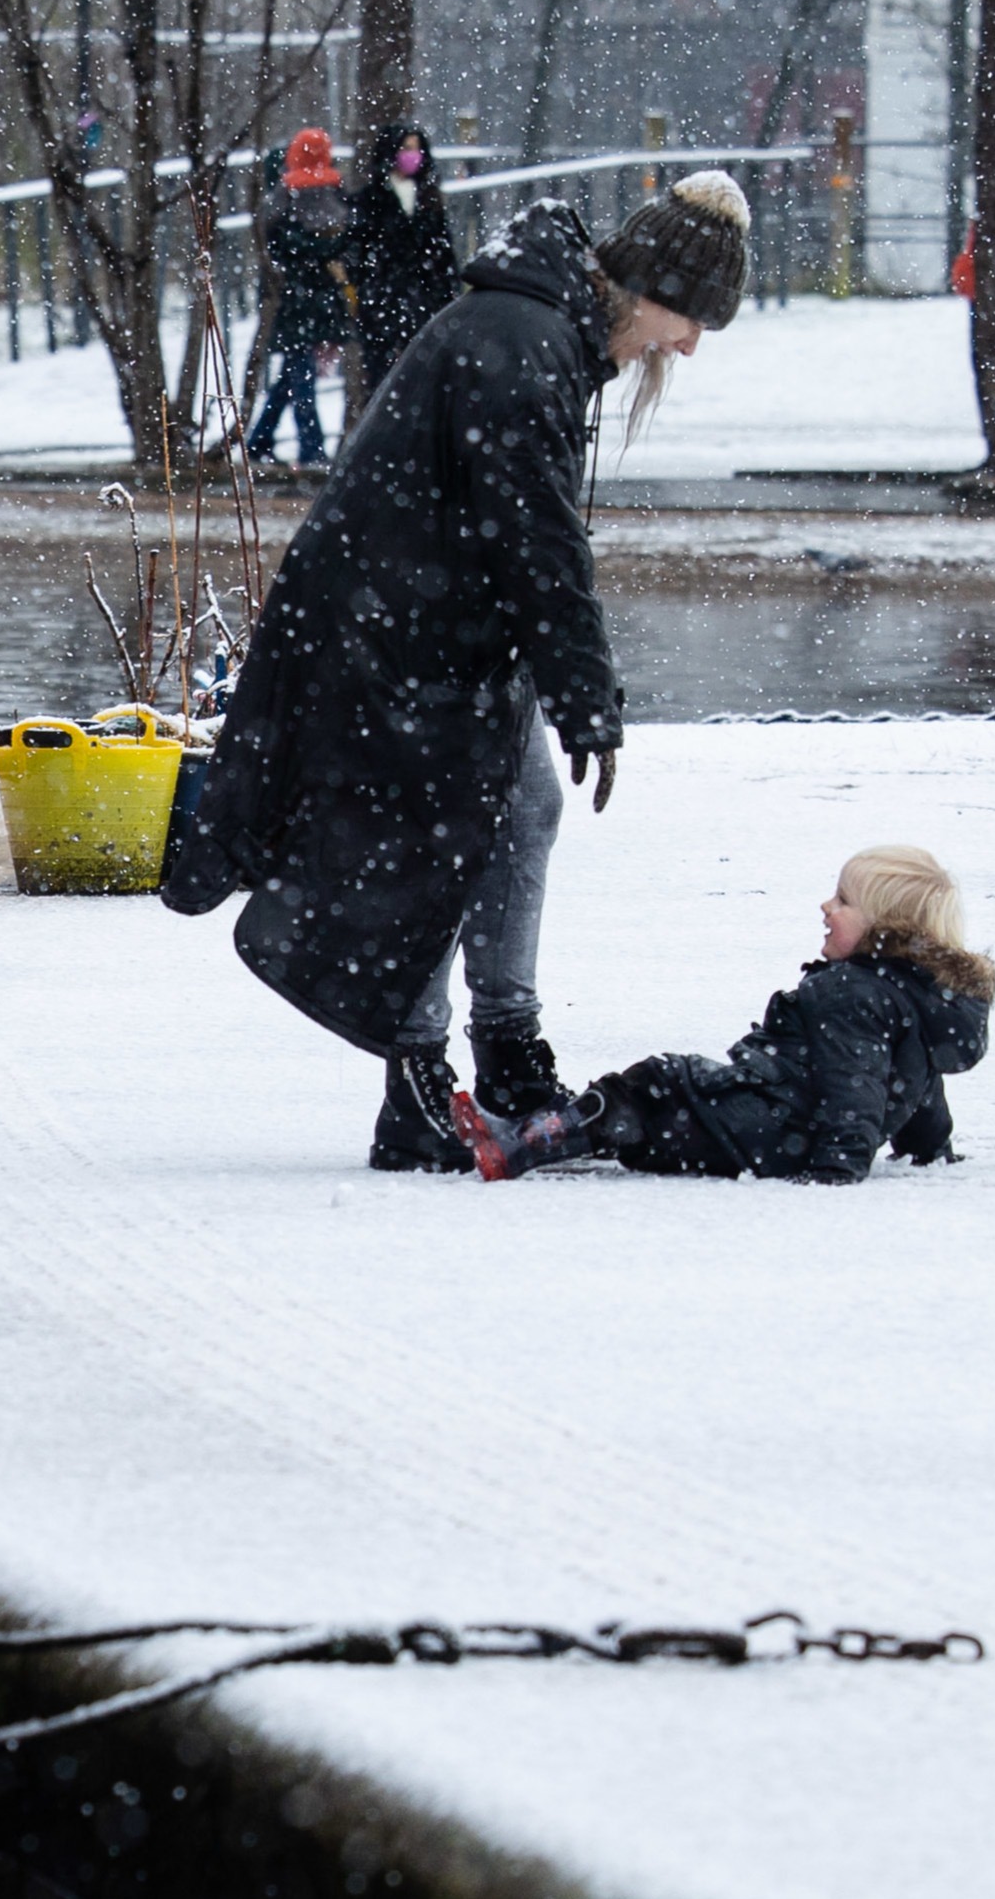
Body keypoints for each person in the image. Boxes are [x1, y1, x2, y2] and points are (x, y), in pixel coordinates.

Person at [163, 174, 753, 1171]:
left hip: (427, 616)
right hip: (393, 626)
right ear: (650, 289)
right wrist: (584, 699)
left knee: (518, 808)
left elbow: (530, 537)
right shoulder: (523, 341)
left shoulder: (540, 328)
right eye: (691, 319)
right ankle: (417, 1078)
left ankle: (507, 1050)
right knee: (434, 840)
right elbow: (538, 538)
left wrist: (572, 686)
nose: (688, 345)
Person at [457, 845, 994, 1184]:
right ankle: (571, 1132)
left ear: (884, 928)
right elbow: (916, 1085)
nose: (827, 907)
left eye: (843, 901)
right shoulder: (914, 1002)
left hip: (767, 1130)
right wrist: (929, 1150)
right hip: (779, 1130)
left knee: (653, 1084)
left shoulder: (852, 993)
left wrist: (838, 1168)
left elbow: (854, 1086)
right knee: (656, 1122)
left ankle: (520, 1144)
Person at [248, 129, 360, 466]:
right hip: (322, 295)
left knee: (295, 374)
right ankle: (310, 448)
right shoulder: (336, 194)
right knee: (300, 375)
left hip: (295, 298)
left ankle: (263, 441)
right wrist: (331, 252)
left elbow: (284, 245)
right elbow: (345, 240)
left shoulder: (282, 198)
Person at [341, 125, 458, 417]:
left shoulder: (430, 200)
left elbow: (443, 257)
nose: (412, 155)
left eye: (416, 149)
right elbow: (356, 253)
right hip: (382, 306)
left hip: (424, 305)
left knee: (424, 381)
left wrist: (445, 296)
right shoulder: (369, 201)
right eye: (405, 148)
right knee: (381, 383)